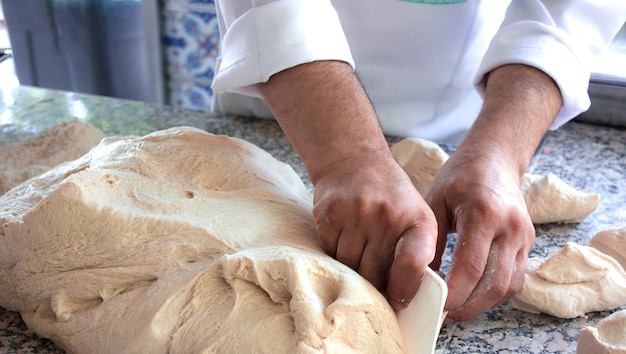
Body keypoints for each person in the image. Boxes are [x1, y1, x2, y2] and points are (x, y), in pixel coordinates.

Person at [210, 0, 626, 322]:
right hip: (288, 99)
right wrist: (344, 155)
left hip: (462, 101)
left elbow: (570, 10)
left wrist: (499, 152)